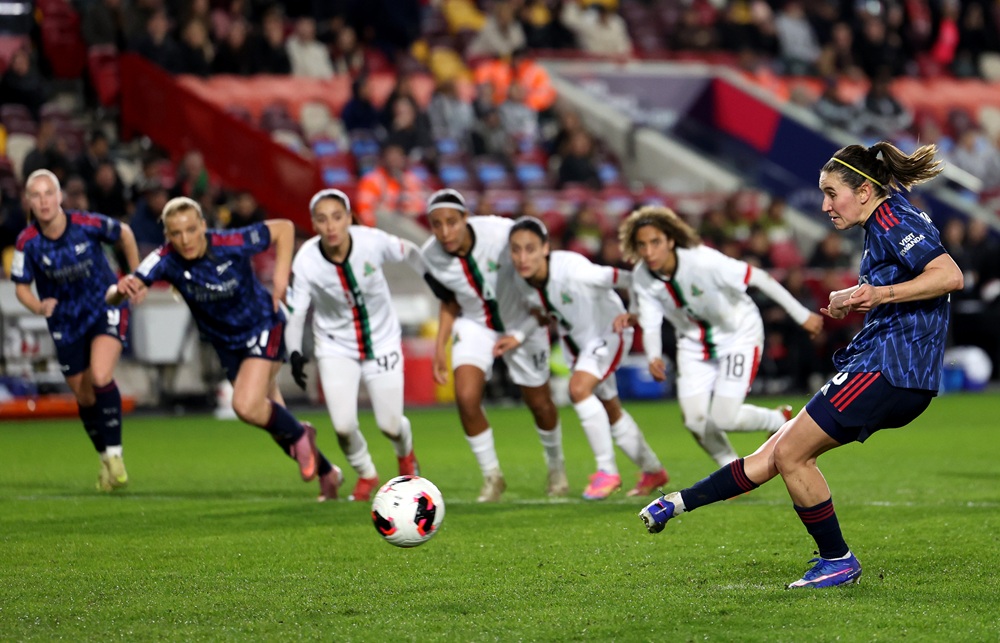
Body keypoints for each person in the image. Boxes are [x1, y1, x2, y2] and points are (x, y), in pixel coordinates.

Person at [638, 142, 963, 589]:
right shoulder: (888, 214)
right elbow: (911, 277)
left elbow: (949, 275)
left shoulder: (890, 219)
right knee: (775, 453)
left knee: (792, 454)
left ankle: (838, 559)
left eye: (832, 193)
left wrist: (878, 295)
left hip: (888, 369)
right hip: (890, 369)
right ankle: (674, 504)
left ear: (865, 191)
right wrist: (855, 296)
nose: (826, 205)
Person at [109, 197, 344, 501]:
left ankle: (303, 435)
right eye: (176, 233)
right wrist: (120, 290)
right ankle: (328, 473)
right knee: (270, 418)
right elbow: (119, 291)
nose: (185, 239)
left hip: (264, 326)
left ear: (203, 226)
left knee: (246, 406)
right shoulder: (164, 259)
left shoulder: (231, 242)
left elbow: (284, 229)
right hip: (226, 344)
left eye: (191, 229)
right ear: (167, 236)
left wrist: (280, 279)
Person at [615, 206, 822, 467]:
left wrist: (801, 314)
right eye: (641, 245)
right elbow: (651, 319)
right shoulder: (642, 276)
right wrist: (653, 354)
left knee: (724, 417)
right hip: (693, 344)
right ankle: (730, 468)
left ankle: (777, 420)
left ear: (670, 239)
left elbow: (759, 277)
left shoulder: (703, 261)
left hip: (739, 334)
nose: (648, 252)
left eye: (655, 242)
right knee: (694, 420)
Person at [494, 217, 668, 500]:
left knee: (578, 389)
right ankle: (653, 471)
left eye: (530, 249)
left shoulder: (575, 270)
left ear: (545, 248)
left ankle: (607, 471)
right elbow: (545, 313)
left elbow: (632, 278)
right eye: (516, 250)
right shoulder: (522, 280)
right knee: (611, 409)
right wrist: (519, 336)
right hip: (578, 346)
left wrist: (635, 311)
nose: (522, 257)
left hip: (609, 332)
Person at [421, 189, 565, 501]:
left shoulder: (501, 234)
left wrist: (525, 330)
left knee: (539, 403)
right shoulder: (429, 256)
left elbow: (541, 278)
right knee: (466, 397)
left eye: (451, 222)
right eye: (436, 224)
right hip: (475, 324)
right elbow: (448, 302)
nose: (445, 232)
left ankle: (556, 467)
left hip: (521, 321)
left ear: (466, 218)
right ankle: (492, 476)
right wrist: (439, 349)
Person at [285, 189, 422, 502]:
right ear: (314, 224)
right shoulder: (307, 260)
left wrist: (435, 276)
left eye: (337, 217)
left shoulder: (372, 242)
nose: (331, 226)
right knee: (344, 426)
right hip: (336, 346)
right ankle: (367, 473)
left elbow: (411, 251)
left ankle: (406, 456)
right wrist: (294, 352)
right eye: (322, 219)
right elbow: (296, 311)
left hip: (383, 340)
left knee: (390, 425)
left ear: (349, 218)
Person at [11, 169, 142, 491]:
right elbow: (21, 288)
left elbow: (124, 232)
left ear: (59, 197)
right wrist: (39, 307)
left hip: (105, 305)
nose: (43, 201)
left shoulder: (86, 224)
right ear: (28, 201)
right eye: (36, 195)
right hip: (65, 321)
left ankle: (115, 455)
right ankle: (103, 457)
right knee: (84, 396)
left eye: (48, 193)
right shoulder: (27, 242)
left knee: (100, 377)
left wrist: (137, 276)